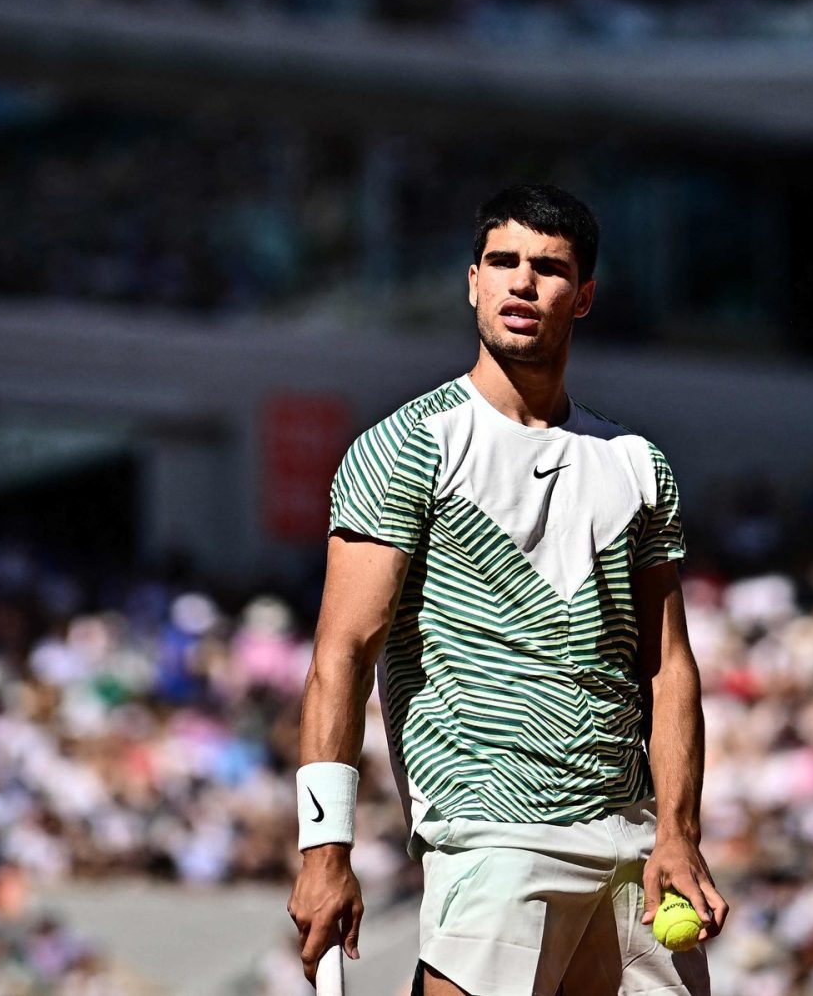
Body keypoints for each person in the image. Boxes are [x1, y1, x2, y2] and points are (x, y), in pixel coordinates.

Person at [288, 184, 724, 996]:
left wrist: (678, 830)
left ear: (583, 295)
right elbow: (339, 655)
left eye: (550, 268)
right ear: (472, 282)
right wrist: (326, 851)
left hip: (633, 850)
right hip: (492, 837)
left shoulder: (636, 462)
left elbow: (668, 665)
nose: (523, 282)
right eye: (504, 262)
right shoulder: (407, 447)